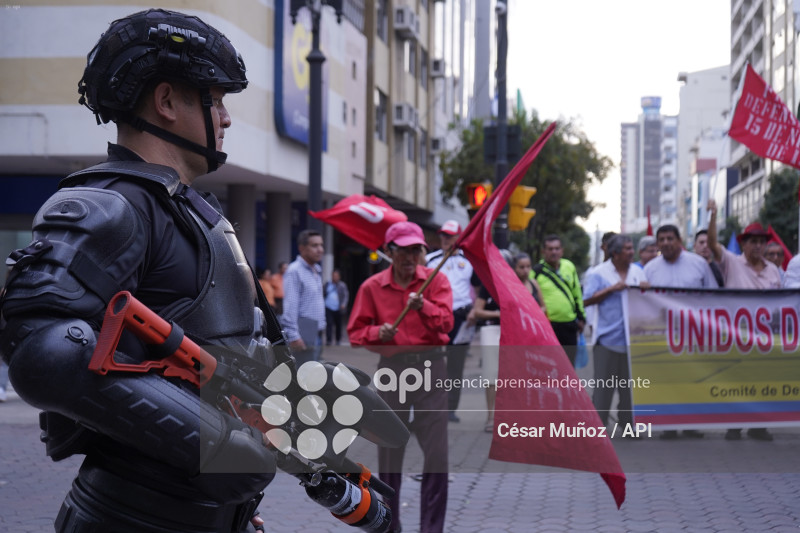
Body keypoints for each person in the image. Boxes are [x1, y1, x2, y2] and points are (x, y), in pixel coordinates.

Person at [0, 10, 278, 531]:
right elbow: (43, 350)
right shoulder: (112, 203)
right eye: (214, 99)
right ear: (168, 102)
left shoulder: (186, 208)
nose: (226, 117)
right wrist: (217, 445)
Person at [347, 221, 453, 533]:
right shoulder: (373, 287)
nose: (409, 257)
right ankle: (389, 525)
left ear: (423, 252)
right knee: (390, 452)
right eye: (403, 250)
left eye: (415, 250)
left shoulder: (436, 281)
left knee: (438, 456)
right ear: (389, 252)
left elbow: (447, 324)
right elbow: (355, 333)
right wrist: (377, 332)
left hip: (431, 370)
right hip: (392, 372)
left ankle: (431, 529)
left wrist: (425, 307)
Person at [707, 200, 781, 442]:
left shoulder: (773, 270)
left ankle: (759, 426)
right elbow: (711, 245)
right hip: (737, 336)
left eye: (762, 241)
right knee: (736, 381)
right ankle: (734, 426)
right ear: (744, 244)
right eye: (753, 241)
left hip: (765, 338)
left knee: (762, 381)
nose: (758, 246)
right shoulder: (731, 262)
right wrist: (714, 215)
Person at [645, 224, 716, 439]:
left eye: (670, 238)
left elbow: (713, 296)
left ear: (679, 240)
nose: (666, 243)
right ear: (657, 244)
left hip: (694, 334)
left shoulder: (699, 264)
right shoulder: (650, 269)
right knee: (667, 379)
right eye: (662, 239)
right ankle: (668, 425)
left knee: (693, 378)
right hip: (663, 335)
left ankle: (691, 423)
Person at [583, 235, 648, 433]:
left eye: (632, 248)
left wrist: (646, 289)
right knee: (604, 388)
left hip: (632, 341)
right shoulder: (598, 274)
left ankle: (628, 425)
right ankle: (598, 427)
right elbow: (586, 301)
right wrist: (611, 289)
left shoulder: (638, 272)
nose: (631, 252)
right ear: (615, 253)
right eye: (627, 249)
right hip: (606, 340)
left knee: (630, 389)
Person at [474, 251, 545, 433]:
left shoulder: (526, 284)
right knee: (492, 374)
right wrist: (500, 313)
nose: (525, 270)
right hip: (493, 330)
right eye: (520, 267)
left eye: (527, 266)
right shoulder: (488, 284)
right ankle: (492, 416)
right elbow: (477, 312)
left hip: (519, 333)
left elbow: (540, 306)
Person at [425, 219, 477, 423]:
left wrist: (475, 311)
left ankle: (450, 409)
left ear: (459, 238)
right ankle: (430, 406)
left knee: (456, 366)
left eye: (449, 235)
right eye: (443, 235)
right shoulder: (430, 260)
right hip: (436, 316)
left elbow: (479, 289)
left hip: (461, 317)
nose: (445, 239)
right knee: (431, 363)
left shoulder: (470, 262)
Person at [531, 235, 586, 366]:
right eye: (550, 249)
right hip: (548, 326)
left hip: (569, 324)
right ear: (543, 251)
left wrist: (582, 317)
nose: (554, 252)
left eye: (557, 248)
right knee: (550, 366)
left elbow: (576, 293)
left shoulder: (569, 266)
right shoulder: (536, 272)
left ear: (562, 250)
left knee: (569, 366)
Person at [281, 230, 326, 365]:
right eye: (315, 246)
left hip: (316, 331)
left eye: (321, 245)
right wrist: (294, 336)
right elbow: (290, 305)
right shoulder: (294, 271)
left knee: (314, 375)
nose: (320, 250)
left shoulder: (316, 270)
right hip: (303, 332)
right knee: (304, 377)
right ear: (302, 248)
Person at [324, 268, 349, 345]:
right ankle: (329, 340)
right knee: (329, 324)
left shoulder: (342, 285)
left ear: (339, 277)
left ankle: (338, 340)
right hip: (328, 307)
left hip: (338, 308)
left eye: (336, 276)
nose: (335, 277)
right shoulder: (327, 284)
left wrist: (343, 304)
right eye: (333, 276)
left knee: (338, 325)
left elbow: (346, 295)